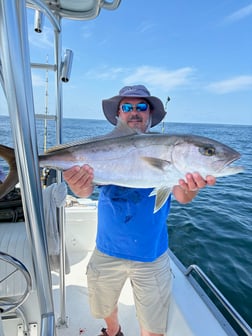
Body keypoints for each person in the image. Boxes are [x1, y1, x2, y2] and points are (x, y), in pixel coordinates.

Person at [63, 85, 216, 336]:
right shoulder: (102, 147)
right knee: (104, 308)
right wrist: (77, 185)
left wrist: (191, 186)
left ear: (150, 114)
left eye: (141, 106)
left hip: (151, 255)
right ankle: (113, 332)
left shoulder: (168, 152)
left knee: (154, 327)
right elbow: (83, 192)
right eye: (127, 107)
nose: (134, 112)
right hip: (107, 248)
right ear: (118, 115)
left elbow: (182, 196)